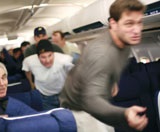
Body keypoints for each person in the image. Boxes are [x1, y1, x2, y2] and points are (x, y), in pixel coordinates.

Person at [59, 0, 148, 131]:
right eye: (129, 23)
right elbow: (91, 101)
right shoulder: (102, 53)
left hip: (96, 100)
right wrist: (125, 113)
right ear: (113, 23)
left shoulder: (125, 42)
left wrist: (112, 81)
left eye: (139, 22)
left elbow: (110, 67)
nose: (137, 30)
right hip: (79, 109)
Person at [22, 39, 74, 110]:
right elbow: (27, 70)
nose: (47, 60)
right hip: (45, 97)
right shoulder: (29, 61)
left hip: (64, 94)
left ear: (53, 53)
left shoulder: (65, 59)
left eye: (50, 55)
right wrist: (31, 83)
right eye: (43, 57)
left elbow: (76, 72)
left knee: (68, 118)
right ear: (37, 57)